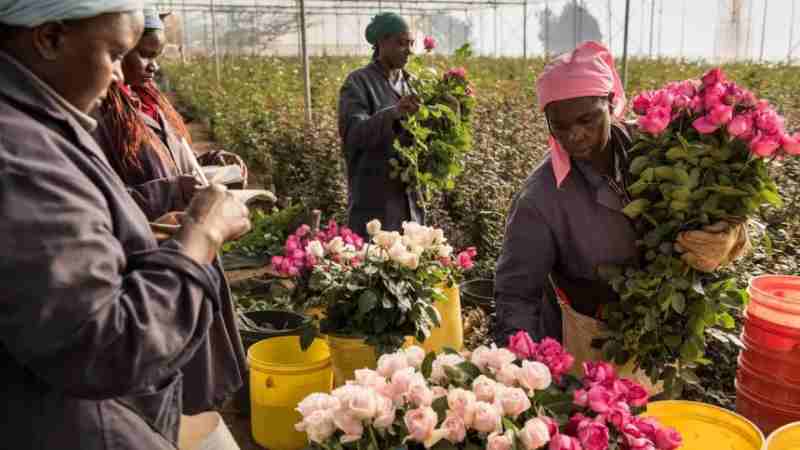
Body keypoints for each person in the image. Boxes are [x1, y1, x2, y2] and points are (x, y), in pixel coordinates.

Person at [0, 2, 251, 449]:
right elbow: (104, 345)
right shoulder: (20, 155)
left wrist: (135, 232)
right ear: (50, 39)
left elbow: (66, 247)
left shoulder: (45, 123)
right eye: (115, 54)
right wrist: (200, 234)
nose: (119, 75)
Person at [493, 41, 749, 345]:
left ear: (611, 103)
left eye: (587, 119)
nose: (574, 135)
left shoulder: (663, 150)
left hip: (666, 334)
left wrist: (729, 235)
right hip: (589, 340)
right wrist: (525, 368)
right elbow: (517, 294)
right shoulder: (540, 198)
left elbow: (723, 210)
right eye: (559, 125)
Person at [95, 7, 249, 426]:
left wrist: (210, 161)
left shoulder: (148, 101)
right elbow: (108, 199)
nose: (153, 64)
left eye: (157, 53)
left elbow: (169, 157)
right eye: (142, 53)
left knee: (204, 349)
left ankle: (201, 417)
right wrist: (171, 190)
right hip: (161, 258)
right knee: (178, 364)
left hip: (191, 245)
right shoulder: (103, 114)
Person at [338, 11, 424, 238]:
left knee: (411, 261)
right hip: (374, 202)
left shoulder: (413, 83)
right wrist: (394, 113)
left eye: (411, 43)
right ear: (382, 42)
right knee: (375, 262)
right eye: (401, 43)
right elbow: (354, 134)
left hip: (409, 202)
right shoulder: (359, 82)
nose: (409, 50)